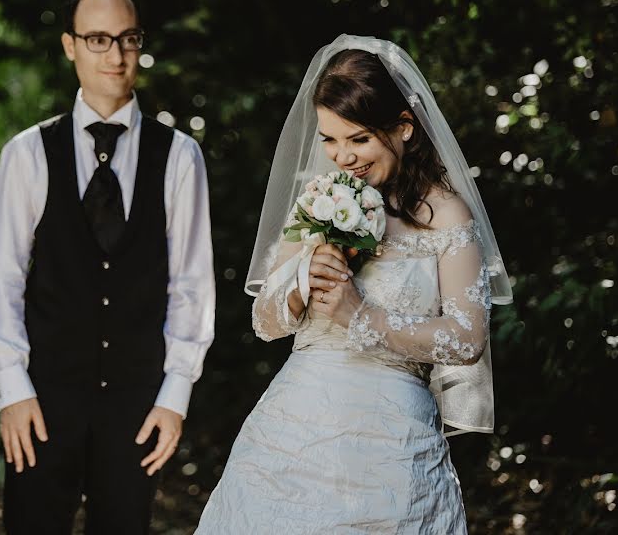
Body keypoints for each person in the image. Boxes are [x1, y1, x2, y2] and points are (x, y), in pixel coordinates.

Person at [195, 35, 513, 533]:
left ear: (404, 128)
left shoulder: (446, 214)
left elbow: (468, 338)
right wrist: (301, 284)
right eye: (329, 139)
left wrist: (358, 315)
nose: (342, 157)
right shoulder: (320, 202)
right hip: (294, 432)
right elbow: (264, 322)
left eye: (359, 138)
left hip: (394, 441)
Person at [0, 0, 215, 534]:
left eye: (128, 39)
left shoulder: (179, 156)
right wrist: (12, 391)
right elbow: (4, 282)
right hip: (42, 402)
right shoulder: (28, 153)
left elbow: (191, 286)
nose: (116, 54)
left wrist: (174, 396)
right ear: (70, 45)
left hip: (137, 407)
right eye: (98, 39)